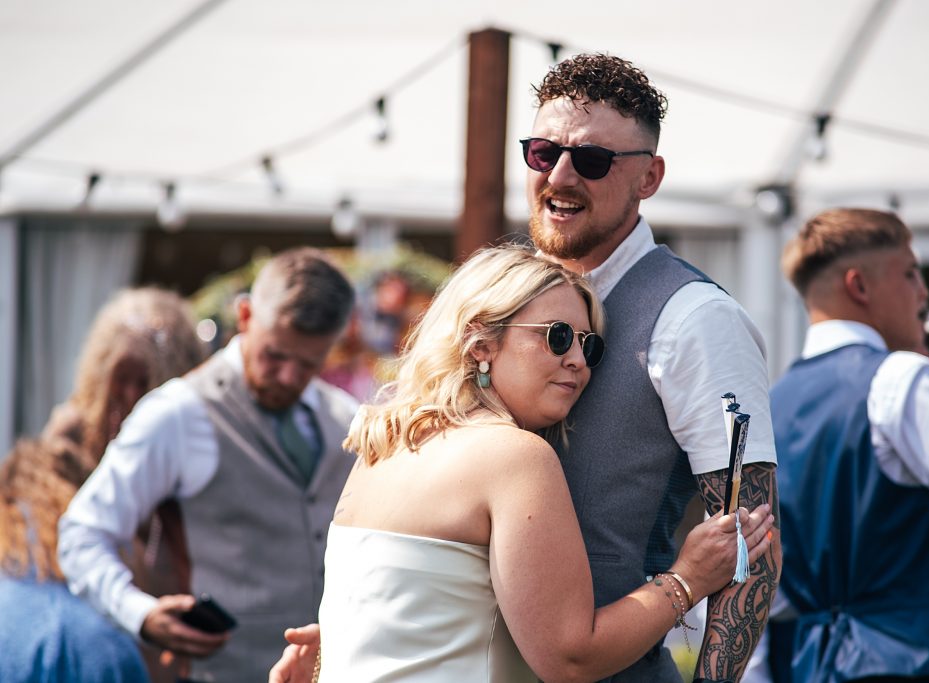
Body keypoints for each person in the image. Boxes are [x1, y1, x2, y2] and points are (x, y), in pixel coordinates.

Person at [271, 53, 782, 683]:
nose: (561, 176)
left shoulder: (695, 318)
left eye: (591, 161)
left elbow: (750, 548)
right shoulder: (505, 299)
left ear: (649, 178)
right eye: (543, 153)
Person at [322, 245, 774, 681]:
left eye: (590, 346)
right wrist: (688, 578)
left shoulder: (380, 447)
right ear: (480, 342)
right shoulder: (514, 456)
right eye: (557, 337)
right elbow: (570, 659)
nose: (578, 361)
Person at [59, 248, 361, 682]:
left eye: (309, 363)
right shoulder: (179, 414)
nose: (290, 376)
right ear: (244, 316)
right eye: (275, 355)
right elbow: (81, 533)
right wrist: (139, 613)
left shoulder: (344, 418)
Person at [758, 208, 929, 682]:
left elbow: (758, 587)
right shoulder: (900, 377)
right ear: (859, 286)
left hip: (806, 666)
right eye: (910, 272)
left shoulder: (770, 404)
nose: (923, 292)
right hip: (913, 659)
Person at [0, 286, 205, 683]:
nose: (129, 396)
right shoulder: (68, 441)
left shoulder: (184, 444)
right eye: (121, 380)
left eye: (144, 383)